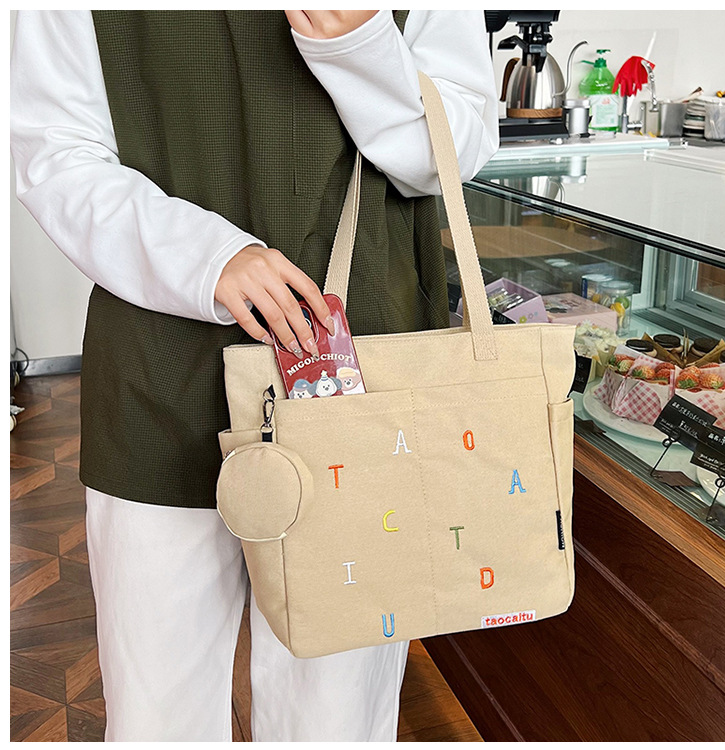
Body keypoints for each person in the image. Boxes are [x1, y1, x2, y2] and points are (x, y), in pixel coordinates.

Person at [10, 10, 498, 742]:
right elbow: (54, 152)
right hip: (160, 358)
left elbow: (457, 150)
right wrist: (205, 258)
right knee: (157, 710)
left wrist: (358, 46)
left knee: (336, 711)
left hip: (364, 359)